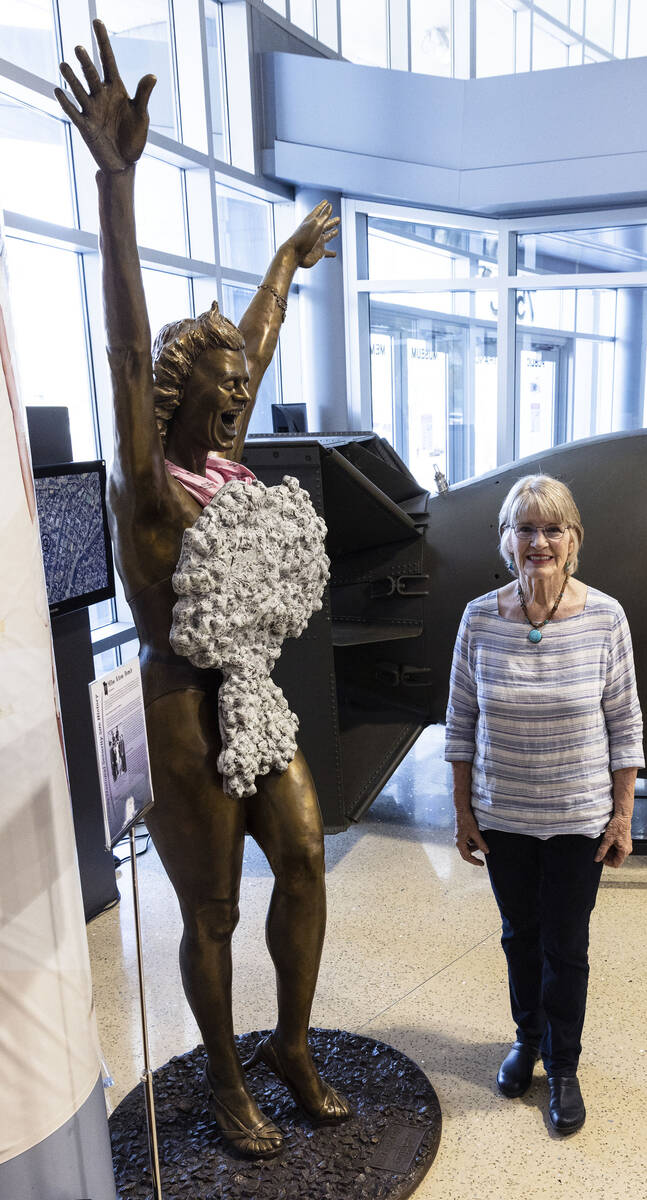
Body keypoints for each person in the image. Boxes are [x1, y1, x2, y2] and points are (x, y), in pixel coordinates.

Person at [55, 22, 343, 1159]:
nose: (239, 402)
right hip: (181, 707)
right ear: (179, 403)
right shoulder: (150, 491)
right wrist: (115, 183)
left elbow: (255, 346)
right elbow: (132, 352)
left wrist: (282, 261)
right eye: (219, 392)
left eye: (243, 389)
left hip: (255, 696)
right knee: (213, 909)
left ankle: (292, 1041)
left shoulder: (224, 469)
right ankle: (227, 1077)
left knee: (311, 861)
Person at [444, 474, 645, 1135]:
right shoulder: (479, 618)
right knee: (518, 938)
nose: (539, 542)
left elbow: (625, 722)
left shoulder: (604, 618)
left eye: (552, 529)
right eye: (525, 529)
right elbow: (461, 720)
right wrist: (463, 811)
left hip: (576, 818)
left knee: (566, 944)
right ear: (507, 541)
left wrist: (623, 814)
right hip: (504, 815)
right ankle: (526, 1039)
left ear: (574, 539)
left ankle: (562, 1064)